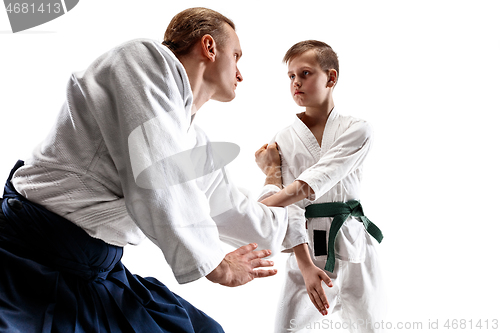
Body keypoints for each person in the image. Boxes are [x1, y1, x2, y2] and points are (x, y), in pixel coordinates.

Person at [0, 7, 286, 333]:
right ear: (209, 47)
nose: (240, 73)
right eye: (236, 56)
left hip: (96, 272)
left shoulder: (192, 141)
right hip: (28, 254)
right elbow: (158, 180)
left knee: (203, 329)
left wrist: (276, 179)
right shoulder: (141, 61)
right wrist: (216, 265)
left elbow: (238, 213)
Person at [257, 40, 385, 333]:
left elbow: (314, 182)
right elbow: (291, 207)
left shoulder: (358, 129)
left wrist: (259, 206)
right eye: (291, 76)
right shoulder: (284, 138)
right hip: (307, 248)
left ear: (331, 77)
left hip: (355, 249)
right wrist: (304, 266)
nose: (296, 83)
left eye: (305, 73)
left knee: (372, 328)